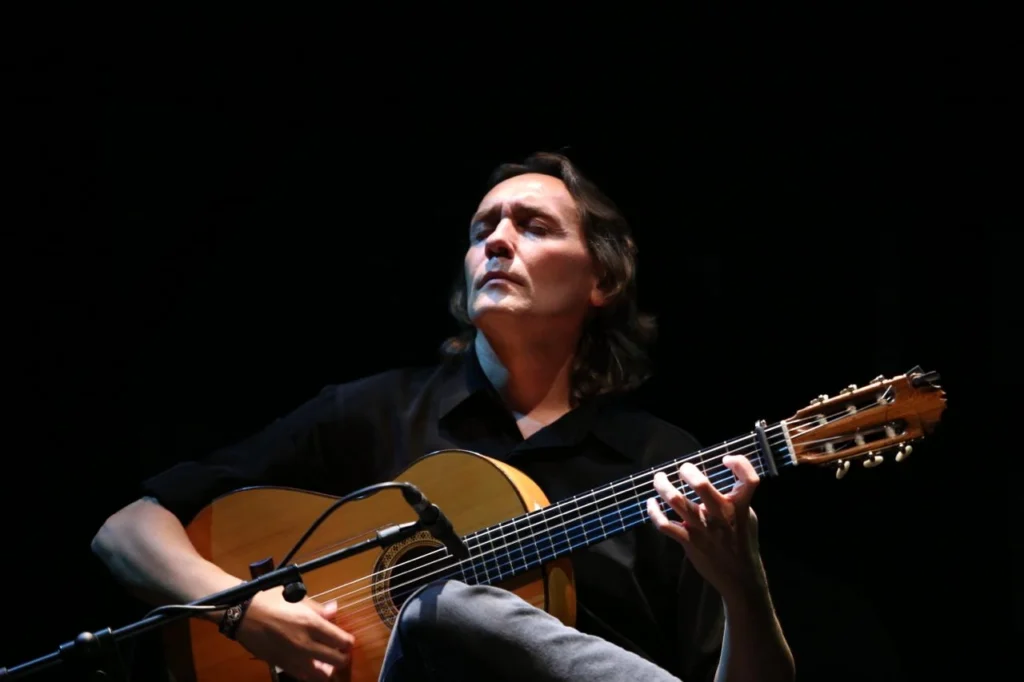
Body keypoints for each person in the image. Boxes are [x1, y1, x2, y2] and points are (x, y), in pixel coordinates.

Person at [91, 151, 795, 682]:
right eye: (482, 227)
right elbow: (125, 530)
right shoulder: (373, 413)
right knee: (440, 607)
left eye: (534, 226)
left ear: (602, 279)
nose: (496, 241)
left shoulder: (663, 464)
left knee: (446, 605)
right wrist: (241, 610)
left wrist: (743, 585)